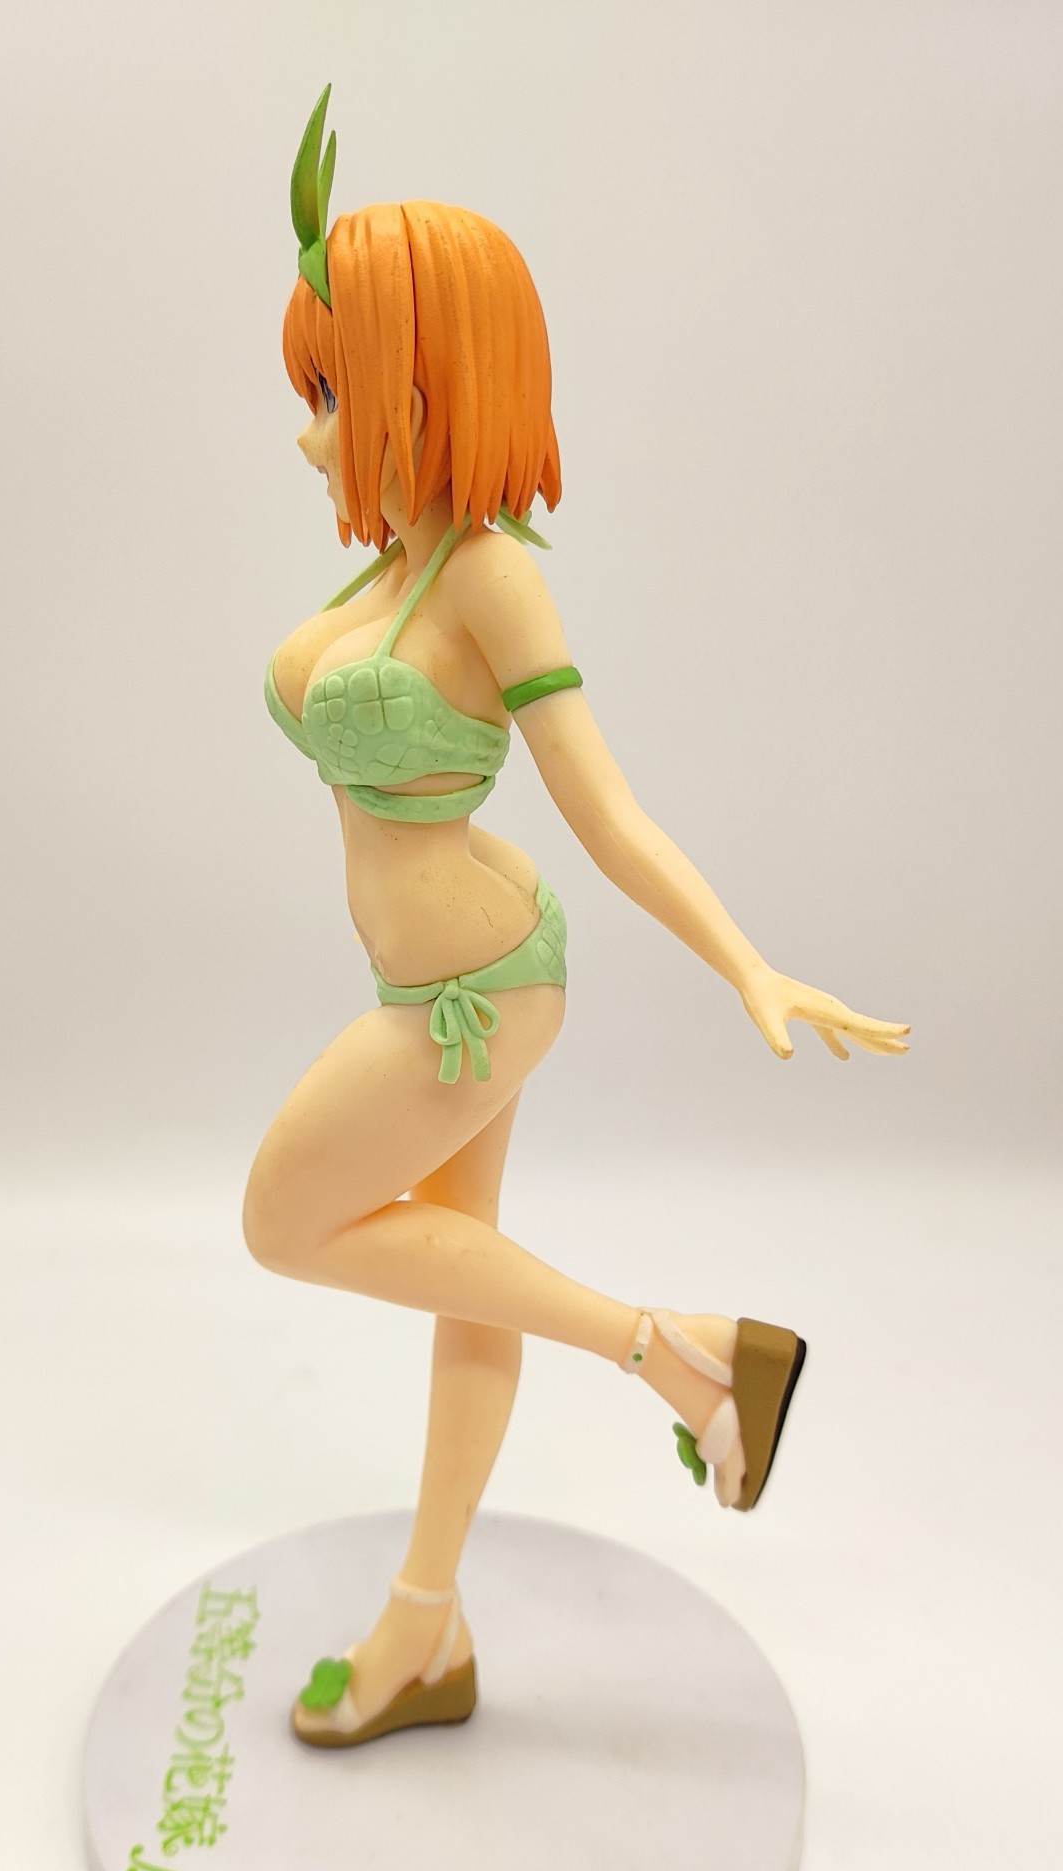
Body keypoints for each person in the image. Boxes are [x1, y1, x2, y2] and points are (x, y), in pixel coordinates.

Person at [244, 88, 909, 1749]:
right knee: (462, 1290)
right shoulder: (382, 572)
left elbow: (606, 812)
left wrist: (748, 962)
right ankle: (425, 1630)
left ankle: (679, 1354)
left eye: (331, 391)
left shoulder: (489, 574)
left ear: (420, 382)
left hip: (478, 985)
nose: (309, 435)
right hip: (446, 969)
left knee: (281, 1218)